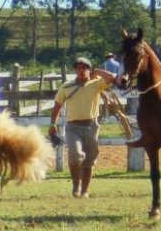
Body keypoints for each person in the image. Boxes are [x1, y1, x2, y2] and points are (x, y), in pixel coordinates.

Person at [48, 57, 116, 198]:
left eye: (84, 68)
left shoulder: (96, 84)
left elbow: (112, 77)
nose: (81, 71)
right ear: (75, 70)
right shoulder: (66, 87)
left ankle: (85, 190)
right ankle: (76, 185)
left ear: (89, 70)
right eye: (78, 68)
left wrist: (97, 71)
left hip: (91, 126)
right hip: (73, 127)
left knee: (89, 159)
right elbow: (57, 106)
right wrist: (52, 124)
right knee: (75, 155)